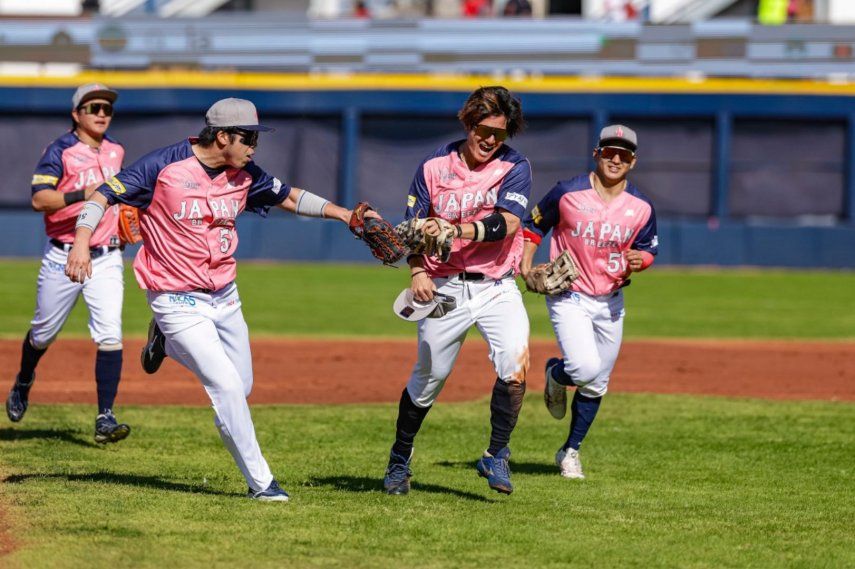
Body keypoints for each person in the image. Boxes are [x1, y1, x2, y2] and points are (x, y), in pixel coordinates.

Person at [66, 98, 364, 501]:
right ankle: (263, 484)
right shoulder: (163, 167)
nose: (254, 146)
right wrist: (81, 242)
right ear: (222, 136)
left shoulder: (244, 173)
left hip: (225, 296)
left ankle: (164, 344)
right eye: (248, 137)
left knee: (240, 389)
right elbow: (102, 196)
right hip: (174, 296)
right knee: (224, 387)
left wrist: (345, 215)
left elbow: (289, 197)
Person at [382, 86, 532, 496]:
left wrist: (457, 229)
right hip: (443, 286)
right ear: (468, 124)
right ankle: (399, 459)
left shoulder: (514, 166)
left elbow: (508, 224)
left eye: (499, 134)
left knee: (515, 367)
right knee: (430, 377)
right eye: (483, 130)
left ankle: (497, 454)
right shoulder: (433, 166)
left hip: (497, 285)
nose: (489, 140)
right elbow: (412, 229)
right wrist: (416, 273)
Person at [521, 124, 658, 479]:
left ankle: (570, 451)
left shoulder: (641, 206)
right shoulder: (568, 193)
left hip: (611, 300)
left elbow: (647, 250)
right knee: (583, 369)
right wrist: (525, 264)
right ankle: (557, 372)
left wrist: (641, 261)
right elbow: (533, 225)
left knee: (598, 382)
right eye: (609, 151)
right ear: (597, 153)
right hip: (570, 294)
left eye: (624, 154)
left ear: (633, 161)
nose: (616, 158)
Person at [6, 83, 130, 444]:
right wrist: (82, 193)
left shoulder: (116, 151)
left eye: (107, 108)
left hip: (106, 256)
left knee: (110, 333)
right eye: (94, 107)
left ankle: (105, 417)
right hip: (62, 253)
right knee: (43, 333)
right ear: (77, 114)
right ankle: (25, 379)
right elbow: (39, 198)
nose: (102, 113)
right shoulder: (60, 150)